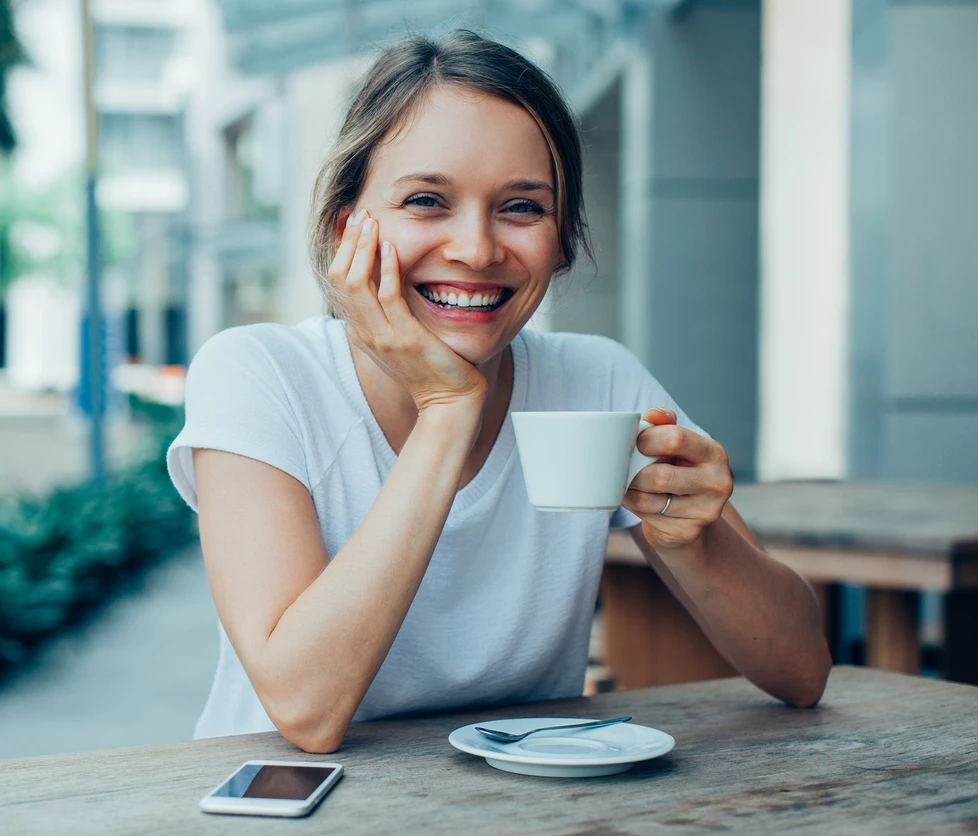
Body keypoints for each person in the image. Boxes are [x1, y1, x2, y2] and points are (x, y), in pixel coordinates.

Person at [167, 30, 830, 754]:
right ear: (345, 230)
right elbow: (305, 708)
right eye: (427, 200)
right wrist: (449, 410)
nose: (477, 249)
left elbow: (801, 672)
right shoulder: (258, 374)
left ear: (563, 241)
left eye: (522, 208)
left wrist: (694, 540)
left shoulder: (596, 380)